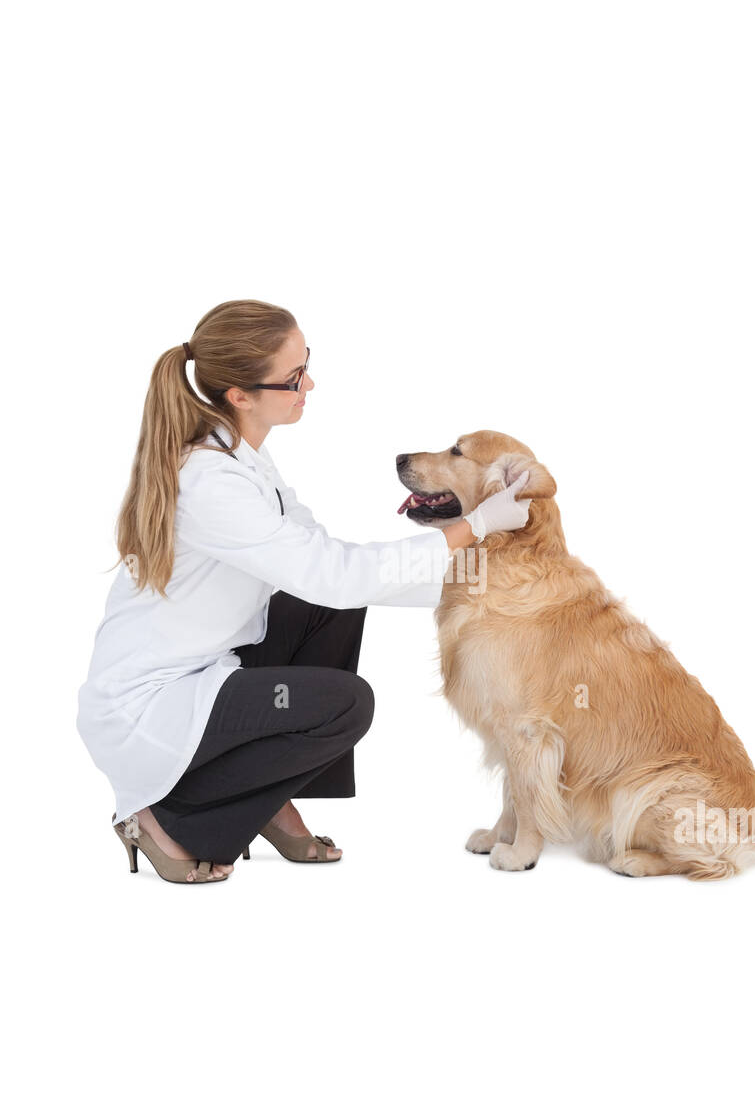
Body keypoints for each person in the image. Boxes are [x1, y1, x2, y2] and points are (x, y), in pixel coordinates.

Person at [77, 298, 532, 884]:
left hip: (208, 666)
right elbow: (334, 572)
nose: (309, 384)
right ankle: (164, 811)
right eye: (294, 378)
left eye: (307, 364)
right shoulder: (212, 481)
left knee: (327, 607)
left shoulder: (244, 457)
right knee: (347, 703)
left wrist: (499, 584)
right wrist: (475, 526)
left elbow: (328, 563)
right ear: (240, 395)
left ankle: (266, 798)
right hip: (152, 708)